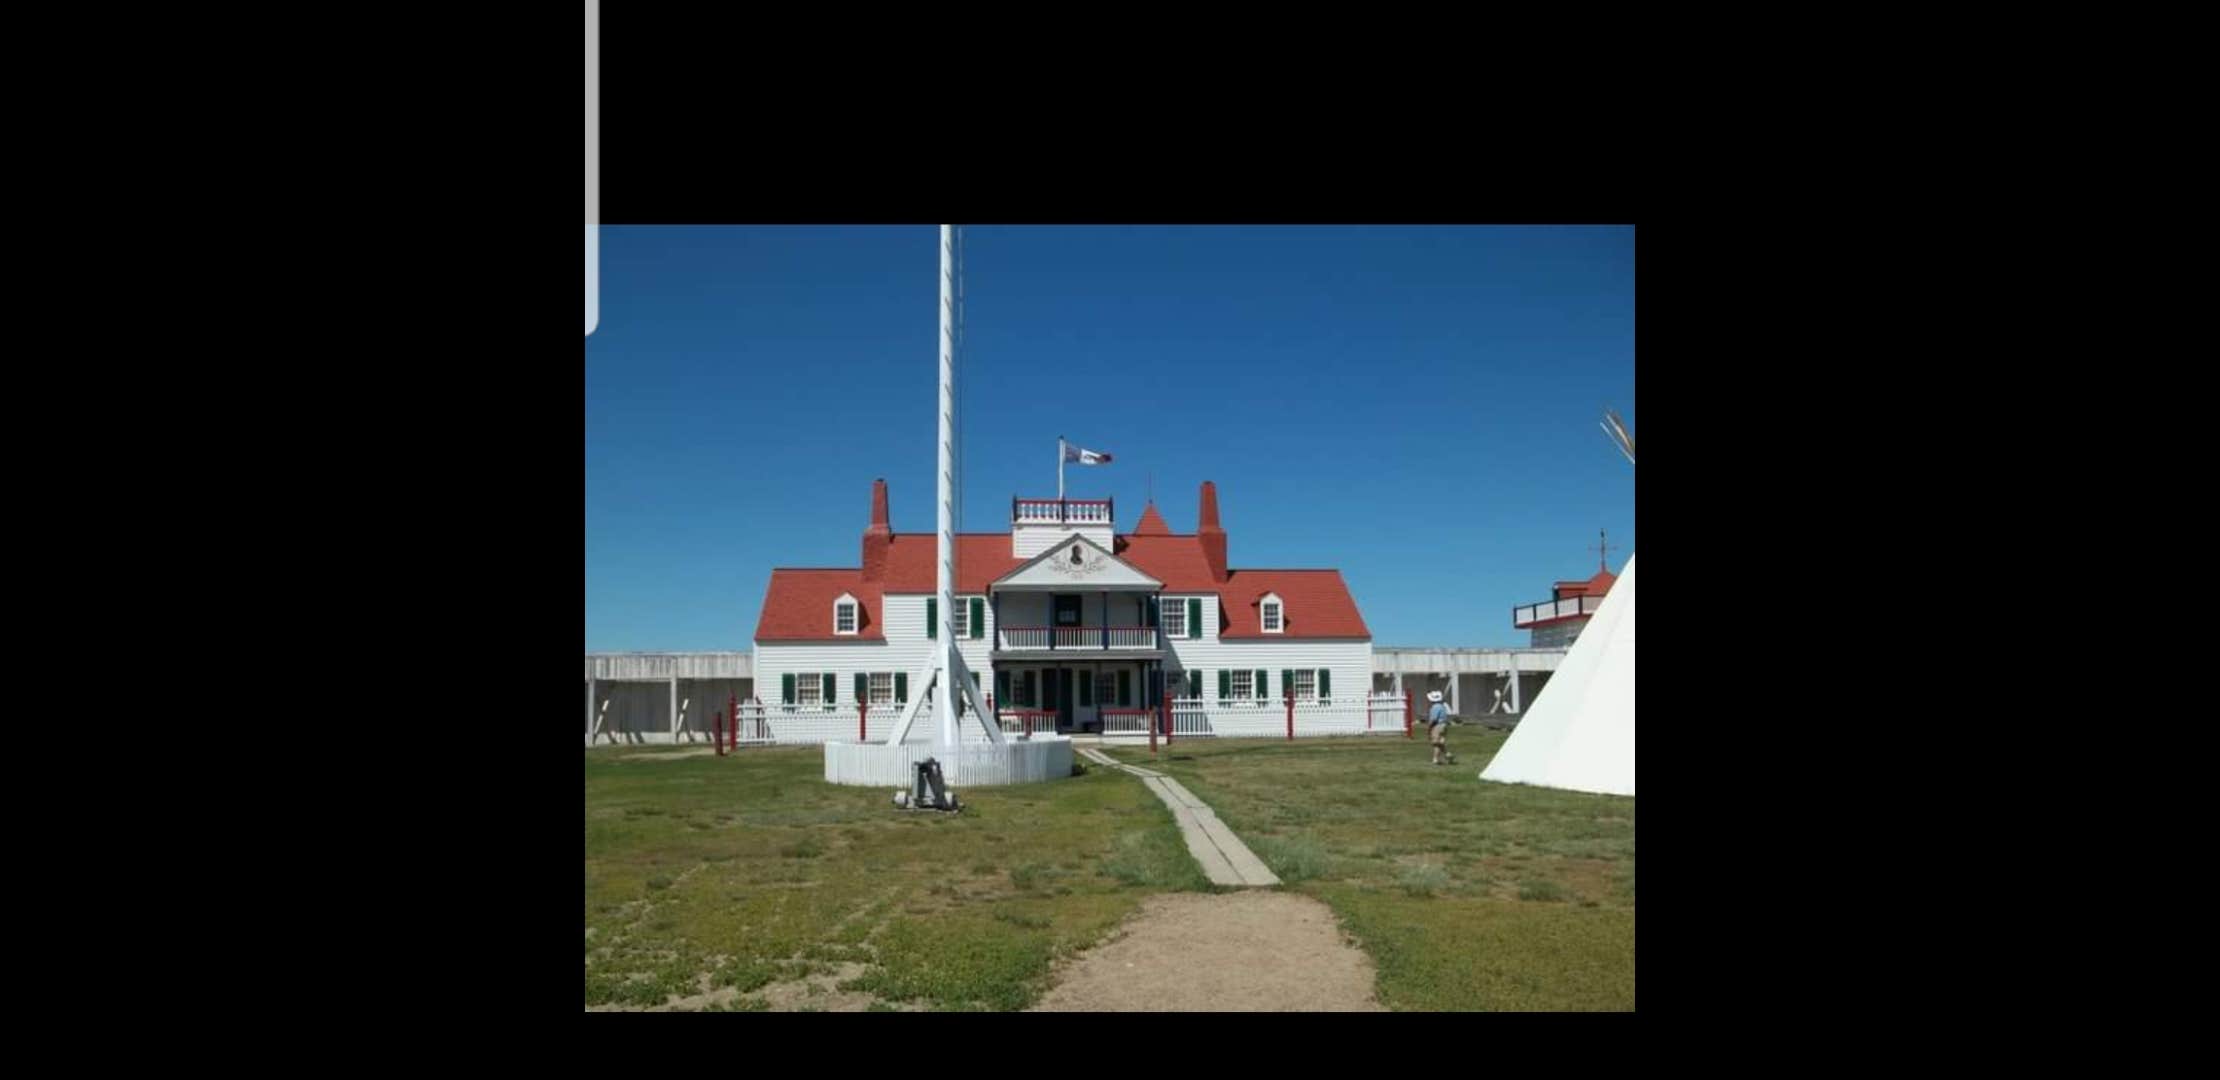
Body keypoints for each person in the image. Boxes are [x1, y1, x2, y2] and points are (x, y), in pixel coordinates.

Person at [1427, 689, 1455, 765]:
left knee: (1436, 743)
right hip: (1444, 725)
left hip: (1437, 726)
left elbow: (1434, 719)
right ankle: (1447, 754)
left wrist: (1429, 727)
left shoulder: (1434, 707)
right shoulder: (1442, 706)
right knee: (1440, 742)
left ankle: (1436, 758)